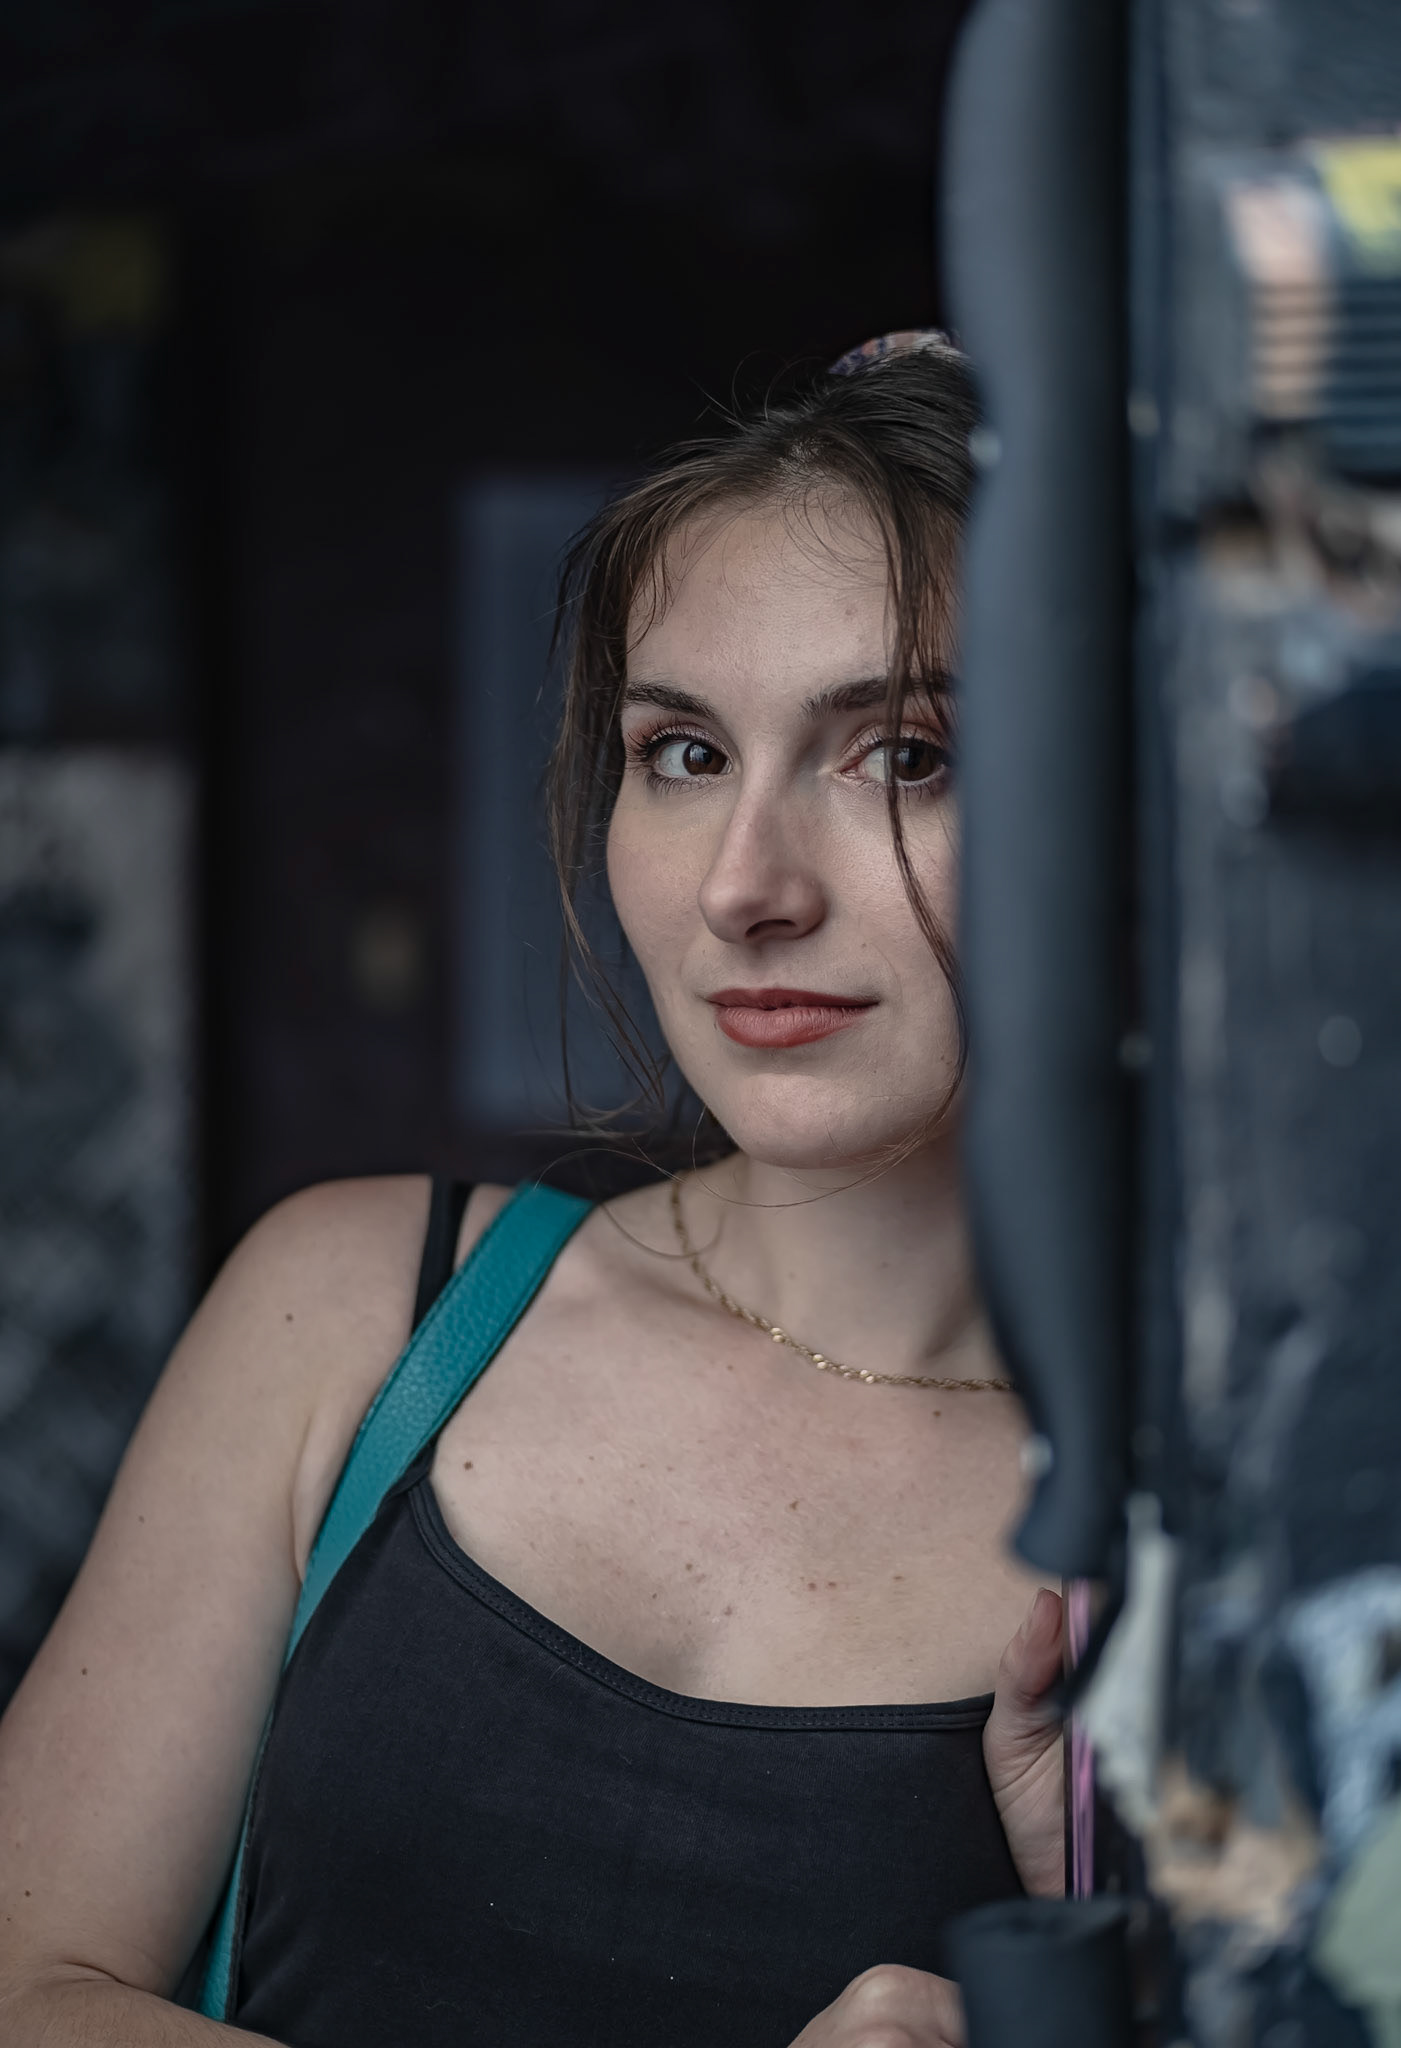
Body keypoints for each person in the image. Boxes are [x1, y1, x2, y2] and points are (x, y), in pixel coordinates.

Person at [0, 335, 1066, 2048]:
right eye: (683, 754)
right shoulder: (364, 1305)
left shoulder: (1218, 1535)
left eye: (902, 754)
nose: (744, 889)